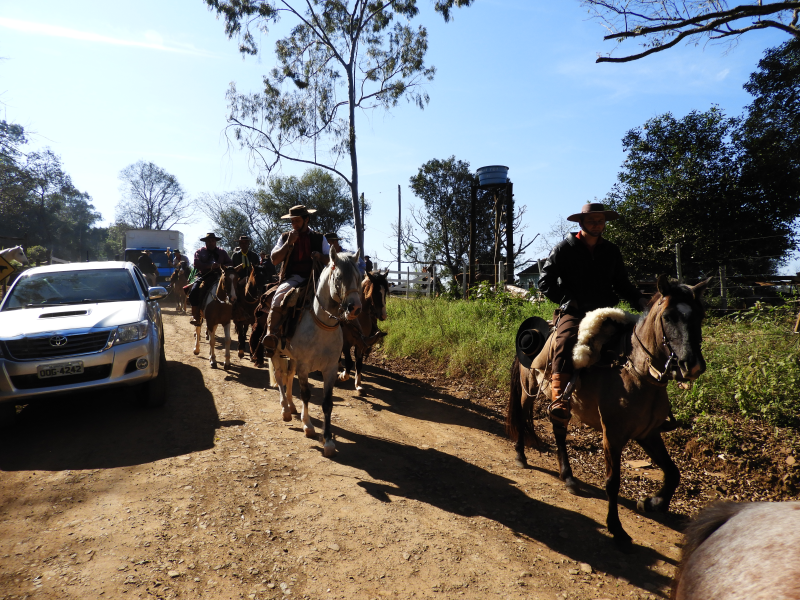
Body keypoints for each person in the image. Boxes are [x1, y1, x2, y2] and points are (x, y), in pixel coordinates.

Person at [538, 202, 647, 428]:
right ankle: (559, 397)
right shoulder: (564, 249)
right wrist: (568, 301)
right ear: (581, 223)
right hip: (576, 311)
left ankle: (648, 402)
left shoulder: (611, 250)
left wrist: (641, 301)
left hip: (607, 310)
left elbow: (622, 284)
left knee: (640, 340)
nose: (597, 225)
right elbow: (544, 282)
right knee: (566, 339)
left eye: (600, 221)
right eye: (592, 221)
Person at [262, 205, 330, 356]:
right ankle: (271, 336)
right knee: (277, 298)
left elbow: (330, 260)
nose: (294, 225)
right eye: (292, 221)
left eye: (297, 221)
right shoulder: (285, 237)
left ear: (307, 220)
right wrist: (288, 243)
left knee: (338, 300)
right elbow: (274, 260)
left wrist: (319, 256)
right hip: (293, 278)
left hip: (317, 279)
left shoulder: (320, 238)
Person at [188, 233, 233, 326]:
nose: (211, 243)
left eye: (212, 241)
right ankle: (195, 316)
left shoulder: (222, 252)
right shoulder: (199, 252)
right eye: (208, 241)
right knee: (194, 291)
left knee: (234, 288)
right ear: (205, 242)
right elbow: (196, 264)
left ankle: (234, 313)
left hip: (220, 276)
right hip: (204, 276)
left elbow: (230, 263)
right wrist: (209, 266)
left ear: (215, 242)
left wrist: (221, 266)